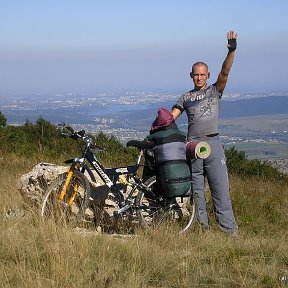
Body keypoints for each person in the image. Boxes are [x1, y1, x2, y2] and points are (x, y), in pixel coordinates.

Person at [171, 31, 238, 234]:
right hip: (193, 147)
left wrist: (232, 50)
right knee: (197, 193)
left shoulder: (215, 90)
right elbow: (172, 116)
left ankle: (229, 232)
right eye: (196, 74)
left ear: (207, 76)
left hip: (213, 144)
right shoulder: (185, 97)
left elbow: (224, 73)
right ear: (191, 76)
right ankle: (202, 231)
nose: (199, 77)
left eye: (202, 74)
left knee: (220, 190)